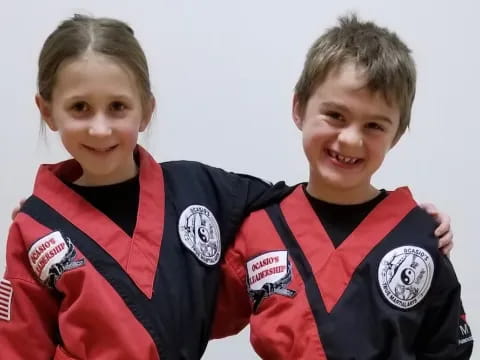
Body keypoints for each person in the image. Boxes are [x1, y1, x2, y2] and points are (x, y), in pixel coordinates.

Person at [0, 14, 453, 360]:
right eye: (80, 107)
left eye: (117, 106)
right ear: (47, 110)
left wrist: (409, 222)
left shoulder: (201, 189)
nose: (100, 128)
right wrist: (52, 209)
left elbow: (300, 206)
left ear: (146, 109)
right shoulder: (38, 226)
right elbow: (19, 343)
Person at [211, 14, 473, 359]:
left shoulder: (418, 237)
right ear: (299, 108)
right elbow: (197, 318)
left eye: (374, 126)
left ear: (395, 136)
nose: (350, 139)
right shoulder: (259, 226)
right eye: (335, 115)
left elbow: (447, 347)